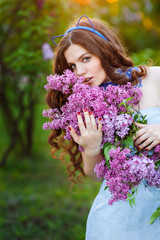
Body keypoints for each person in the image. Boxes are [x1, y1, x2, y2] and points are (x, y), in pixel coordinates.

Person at [46, 15, 160, 240]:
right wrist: (91, 149)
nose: (79, 71)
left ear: (104, 50)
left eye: (86, 58)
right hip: (118, 222)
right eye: (72, 66)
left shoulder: (154, 77)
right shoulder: (85, 106)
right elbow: (96, 174)